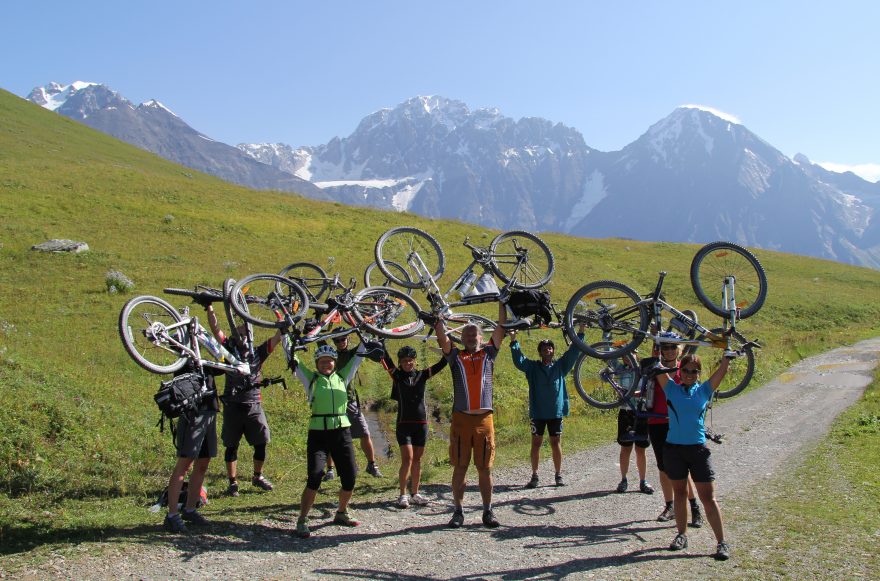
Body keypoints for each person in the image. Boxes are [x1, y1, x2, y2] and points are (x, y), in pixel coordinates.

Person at [433, 301, 507, 528]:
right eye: (467, 334)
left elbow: (501, 328)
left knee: (484, 468)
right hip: (461, 419)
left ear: (481, 338)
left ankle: (488, 511)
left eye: (475, 334)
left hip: (485, 420)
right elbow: (442, 338)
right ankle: (458, 511)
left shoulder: (489, 354)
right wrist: (438, 317)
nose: (471, 337)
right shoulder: (455, 357)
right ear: (462, 339)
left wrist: (502, 303)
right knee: (460, 466)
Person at [660, 352, 733, 561]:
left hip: (698, 451)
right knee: (680, 495)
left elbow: (721, 372)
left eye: (694, 371)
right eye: (686, 370)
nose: (690, 374)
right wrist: (662, 343)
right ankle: (682, 535)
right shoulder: (670, 388)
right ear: (679, 371)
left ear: (699, 373)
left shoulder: (704, 390)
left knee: (708, 498)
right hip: (674, 450)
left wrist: (726, 358)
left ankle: (721, 542)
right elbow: (659, 365)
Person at [205, 304, 282, 497]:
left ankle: (257, 476)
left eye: (246, 334)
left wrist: (282, 318)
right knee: (231, 445)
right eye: (239, 333)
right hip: (232, 405)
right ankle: (233, 482)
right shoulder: (227, 351)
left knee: (261, 442)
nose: (243, 336)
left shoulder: (259, 352)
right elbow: (215, 330)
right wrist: (210, 308)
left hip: (254, 404)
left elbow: (277, 337)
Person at [292, 343, 367, 538]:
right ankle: (302, 519)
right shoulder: (312, 379)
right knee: (315, 475)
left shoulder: (343, 377)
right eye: (322, 361)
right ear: (317, 364)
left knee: (350, 476)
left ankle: (341, 512)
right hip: (319, 433)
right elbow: (293, 360)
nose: (327, 364)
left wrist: (367, 334)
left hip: (342, 432)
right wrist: (286, 337)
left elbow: (357, 358)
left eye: (330, 361)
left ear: (335, 363)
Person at [509, 325, 584, 488]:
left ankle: (558, 475)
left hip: (555, 412)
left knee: (555, 442)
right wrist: (514, 340)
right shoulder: (533, 368)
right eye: (544, 348)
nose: (547, 350)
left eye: (550, 348)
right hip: (538, 413)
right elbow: (519, 360)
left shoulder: (561, 366)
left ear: (553, 350)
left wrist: (581, 331)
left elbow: (573, 352)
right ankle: (535, 475)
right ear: (540, 352)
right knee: (536, 443)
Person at [647, 333, 704, 526]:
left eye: (673, 347)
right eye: (666, 348)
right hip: (656, 421)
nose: (669, 351)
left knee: (682, 469)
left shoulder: (686, 369)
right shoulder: (656, 368)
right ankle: (669, 506)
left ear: (679, 349)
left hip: (677, 423)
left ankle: (694, 507)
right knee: (663, 468)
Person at [381, 344, 447, 508]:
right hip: (404, 424)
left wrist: (447, 349)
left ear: (415, 361)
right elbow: (387, 361)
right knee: (407, 459)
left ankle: (415, 493)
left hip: (421, 424)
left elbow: (442, 364)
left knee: (417, 460)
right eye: (404, 361)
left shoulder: (422, 375)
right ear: (400, 362)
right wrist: (381, 342)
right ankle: (402, 495)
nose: (408, 363)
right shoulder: (397, 375)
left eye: (410, 360)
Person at [163, 364, 222, 533]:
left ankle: (190, 509)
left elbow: (223, 366)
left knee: (203, 463)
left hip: (209, 411)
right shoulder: (185, 356)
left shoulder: (208, 354)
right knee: (185, 464)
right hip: (193, 412)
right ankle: (172, 515)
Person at [322, 334, 383, 481]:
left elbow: (364, 343)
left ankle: (372, 465)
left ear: (348, 339)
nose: (340, 342)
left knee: (364, 433)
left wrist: (370, 331)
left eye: (343, 339)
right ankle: (330, 469)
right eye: (337, 340)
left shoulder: (352, 353)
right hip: (334, 401)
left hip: (350, 401)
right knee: (331, 437)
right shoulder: (331, 355)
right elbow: (320, 342)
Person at [615, 396, 654, 495]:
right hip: (626, 409)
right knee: (625, 448)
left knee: (641, 449)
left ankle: (643, 481)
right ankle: (623, 480)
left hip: (643, 410)